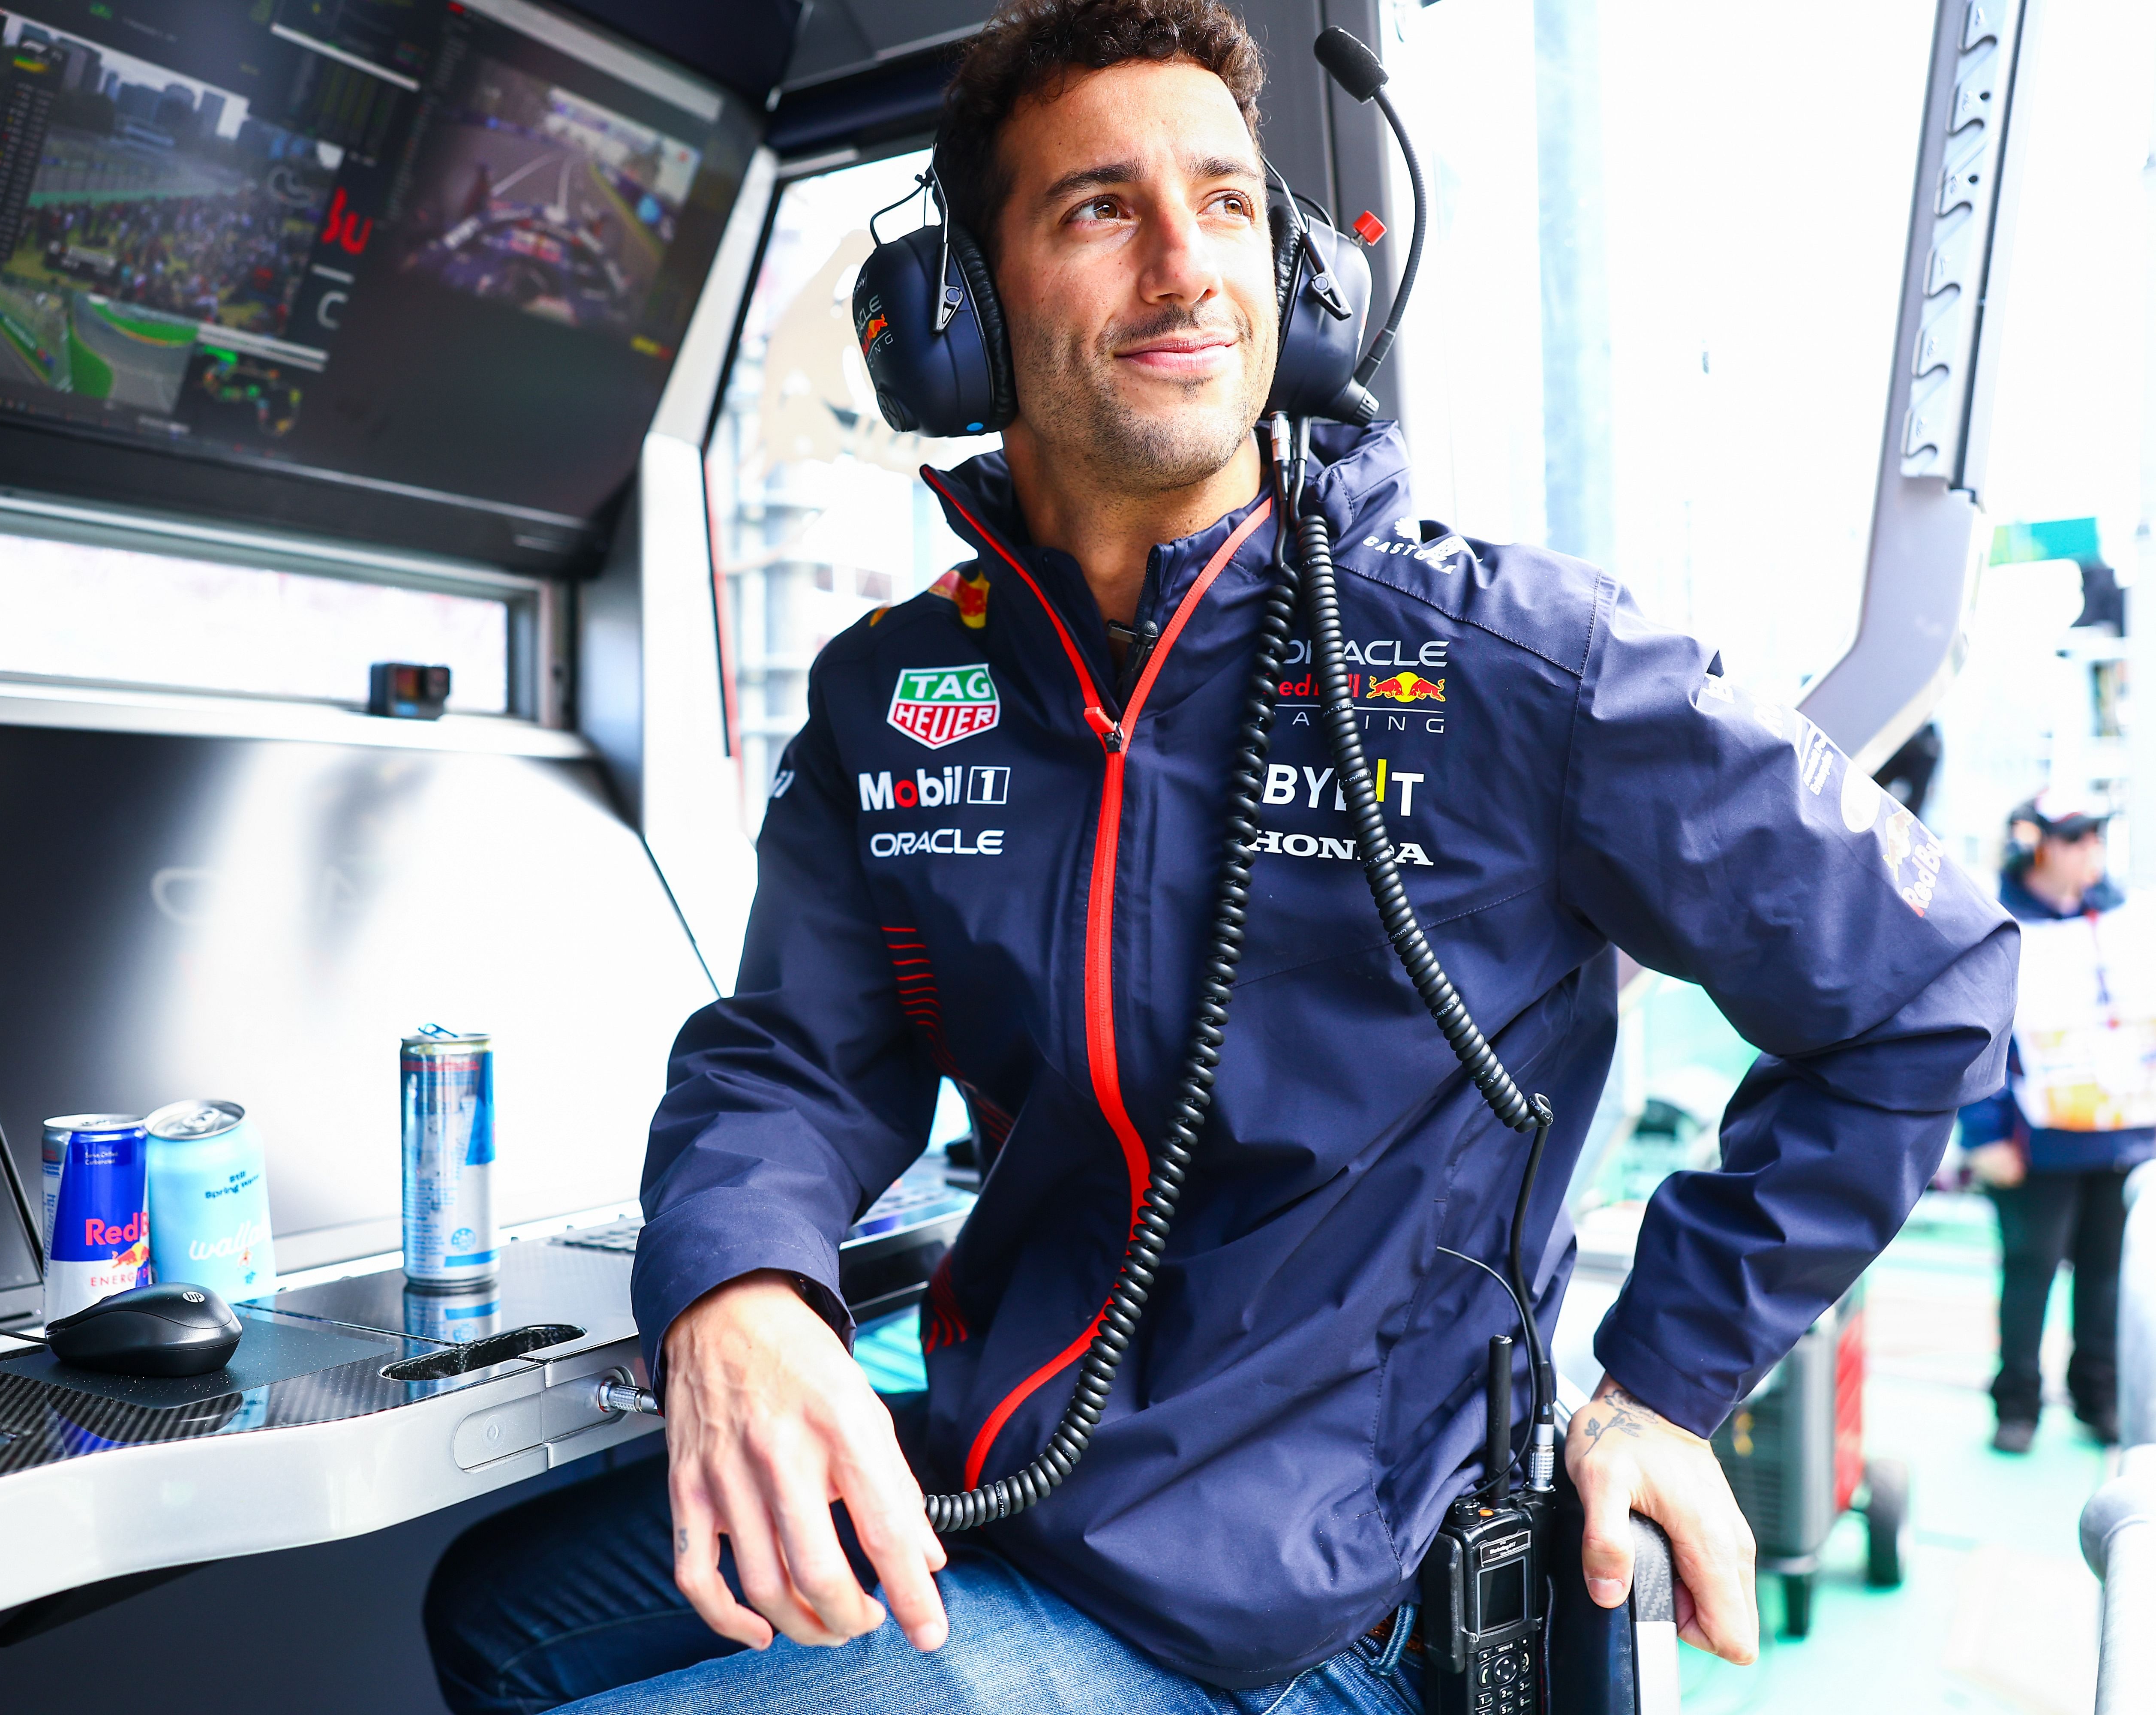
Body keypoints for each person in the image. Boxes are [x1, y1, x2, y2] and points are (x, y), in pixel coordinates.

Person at [423, 2, 2017, 1709]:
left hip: (1305, 1597)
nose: (1187, 268)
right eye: (1100, 210)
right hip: (1027, 1470)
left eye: (1231, 205)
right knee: (499, 1615)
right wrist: (734, 1282)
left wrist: (1664, 1379)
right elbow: (797, 1058)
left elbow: (1923, 988)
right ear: (952, 314)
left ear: (1301, 278)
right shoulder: (898, 690)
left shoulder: (1513, 663)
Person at [1961, 792, 2155, 1453]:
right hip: (2033, 1141)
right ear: (2038, 846)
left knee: (2105, 1273)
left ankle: (2095, 1394)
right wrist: (1983, 1135)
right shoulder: (1996, 922)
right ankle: (2016, 1403)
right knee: (2029, 1270)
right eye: (2076, 839)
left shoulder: (2125, 919)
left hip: (2121, 1132)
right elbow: (1975, 1033)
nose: (2091, 851)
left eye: (2096, 837)